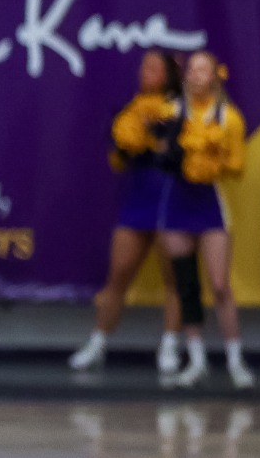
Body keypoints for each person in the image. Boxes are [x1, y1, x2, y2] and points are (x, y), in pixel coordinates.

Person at [70, 51, 186, 375]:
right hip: (136, 200)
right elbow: (119, 158)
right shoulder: (129, 109)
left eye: (152, 67)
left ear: (169, 74)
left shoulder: (180, 109)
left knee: (174, 279)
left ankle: (170, 346)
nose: (144, 72)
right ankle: (98, 342)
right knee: (118, 275)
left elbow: (180, 152)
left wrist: (161, 137)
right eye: (143, 67)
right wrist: (123, 146)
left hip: (169, 199)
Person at [156, 50, 251, 388]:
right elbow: (159, 151)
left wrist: (212, 159)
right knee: (186, 285)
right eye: (191, 69)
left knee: (221, 285)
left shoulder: (228, 117)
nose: (196, 75)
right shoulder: (171, 111)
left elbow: (236, 166)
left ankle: (235, 359)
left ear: (214, 76)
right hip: (177, 204)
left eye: (203, 69)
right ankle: (195, 359)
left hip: (209, 204)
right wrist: (171, 153)